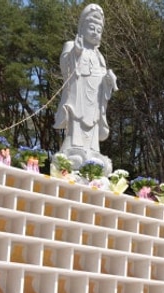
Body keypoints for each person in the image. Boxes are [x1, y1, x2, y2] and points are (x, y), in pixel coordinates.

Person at [54, 3, 117, 171]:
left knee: (94, 124)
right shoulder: (71, 45)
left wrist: (108, 82)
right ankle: (73, 149)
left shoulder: (100, 57)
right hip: (78, 96)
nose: (96, 32)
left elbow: (104, 84)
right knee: (76, 119)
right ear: (82, 27)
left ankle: (93, 150)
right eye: (92, 28)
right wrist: (76, 52)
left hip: (95, 102)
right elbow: (65, 67)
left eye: (99, 30)